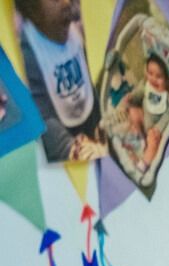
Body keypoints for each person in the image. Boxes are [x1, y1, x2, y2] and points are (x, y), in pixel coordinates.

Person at [14, 0, 103, 162]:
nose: (66, 2)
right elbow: (43, 118)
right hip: (67, 143)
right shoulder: (28, 55)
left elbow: (88, 77)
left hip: (92, 124)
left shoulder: (73, 29)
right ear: (33, 12)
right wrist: (72, 149)